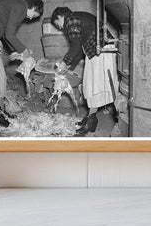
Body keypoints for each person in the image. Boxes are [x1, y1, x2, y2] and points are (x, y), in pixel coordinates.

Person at [51, 7, 118, 136]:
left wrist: (64, 63)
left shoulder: (70, 19)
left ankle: (110, 117)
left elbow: (75, 46)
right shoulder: (78, 17)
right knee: (90, 86)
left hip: (102, 51)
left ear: (60, 17)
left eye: (56, 23)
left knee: (98, 87)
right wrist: (69, 67)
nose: (59, 27)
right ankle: (91, 119)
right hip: (99, 51)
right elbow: (79, 49)